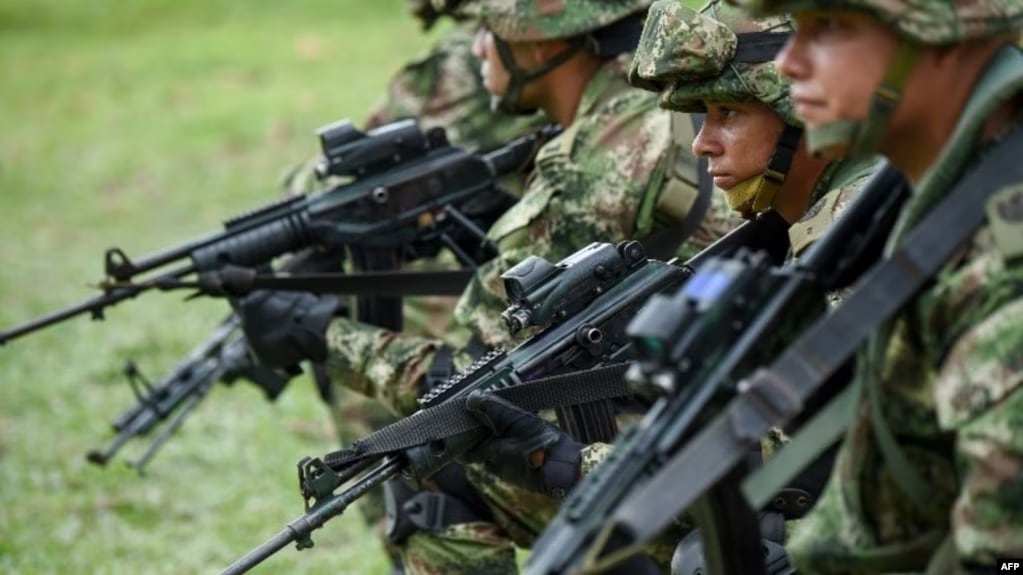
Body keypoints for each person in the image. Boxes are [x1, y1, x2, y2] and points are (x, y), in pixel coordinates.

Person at [239, 0, 742, 572]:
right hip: (725, 436)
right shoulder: (650, 110)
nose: (476, 49)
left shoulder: (585, 161)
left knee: (433, 481)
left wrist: (320, 334)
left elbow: (472, 382)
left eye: (486, 30)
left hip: (696, 473)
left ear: (538, 43)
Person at [465, 2, 880, 573]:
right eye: (703, 115)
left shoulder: (856, 222)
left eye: (729, 112)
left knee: (722, 557)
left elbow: (808, 460)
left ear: (802, 113)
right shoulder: (798, 220)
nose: (704, 142)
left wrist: (568, 461)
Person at [722, 0, 1023, 571]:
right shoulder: (939, 199)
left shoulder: (1003, 262)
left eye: (829, 28)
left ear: (946, 40)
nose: (787, 63)